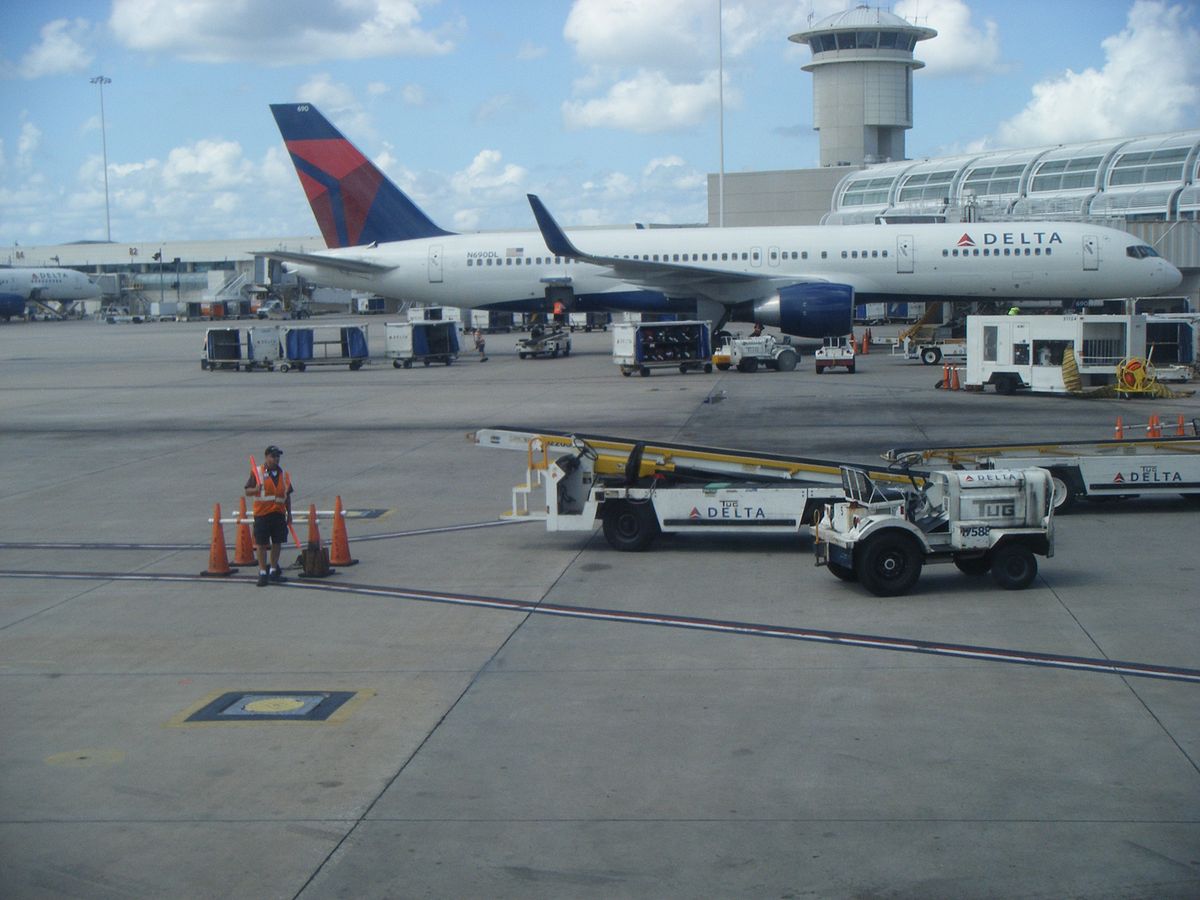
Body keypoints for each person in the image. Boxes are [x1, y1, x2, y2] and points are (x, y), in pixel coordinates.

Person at [244, 444, 294, 587]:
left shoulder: (284, 475)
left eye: (277, 456)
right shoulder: (257, 472)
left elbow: (287, 496)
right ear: (266, 457)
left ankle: (273, 569)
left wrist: (289, 513)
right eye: (273, 456)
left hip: (278, 513)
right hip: (262, 514)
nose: (276, 459)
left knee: (277, 542)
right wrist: (256, 489)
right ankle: (262, 572)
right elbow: (247, 491)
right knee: (261, 544)